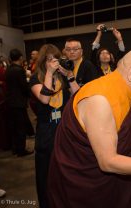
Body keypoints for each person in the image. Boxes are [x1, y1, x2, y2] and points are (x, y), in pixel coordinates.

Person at [47, 47, 131, 208]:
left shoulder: (124, 90)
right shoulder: (99, 100)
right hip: (87, 191)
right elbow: (108, 162)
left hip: (114, 187)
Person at [30, 44, 79, 208]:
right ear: (43, 61)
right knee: (45, 174)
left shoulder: (62, 77)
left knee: (65, 172)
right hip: (47, 132)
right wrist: (50, 73)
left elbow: (79, 95)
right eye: (50, 60)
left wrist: (70, 75)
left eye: (56, 59)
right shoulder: (36, 78)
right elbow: (44, 99)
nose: (53, 63)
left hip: (64, 131)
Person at [5, 49, 33, 157]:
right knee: (21, 127)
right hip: (19, 102)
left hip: (10, 101)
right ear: (20, 57)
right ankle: (21, 150)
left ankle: (15, 148)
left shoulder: (8, 69)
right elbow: (23, 87)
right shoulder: (19, 70)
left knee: (14, 127)